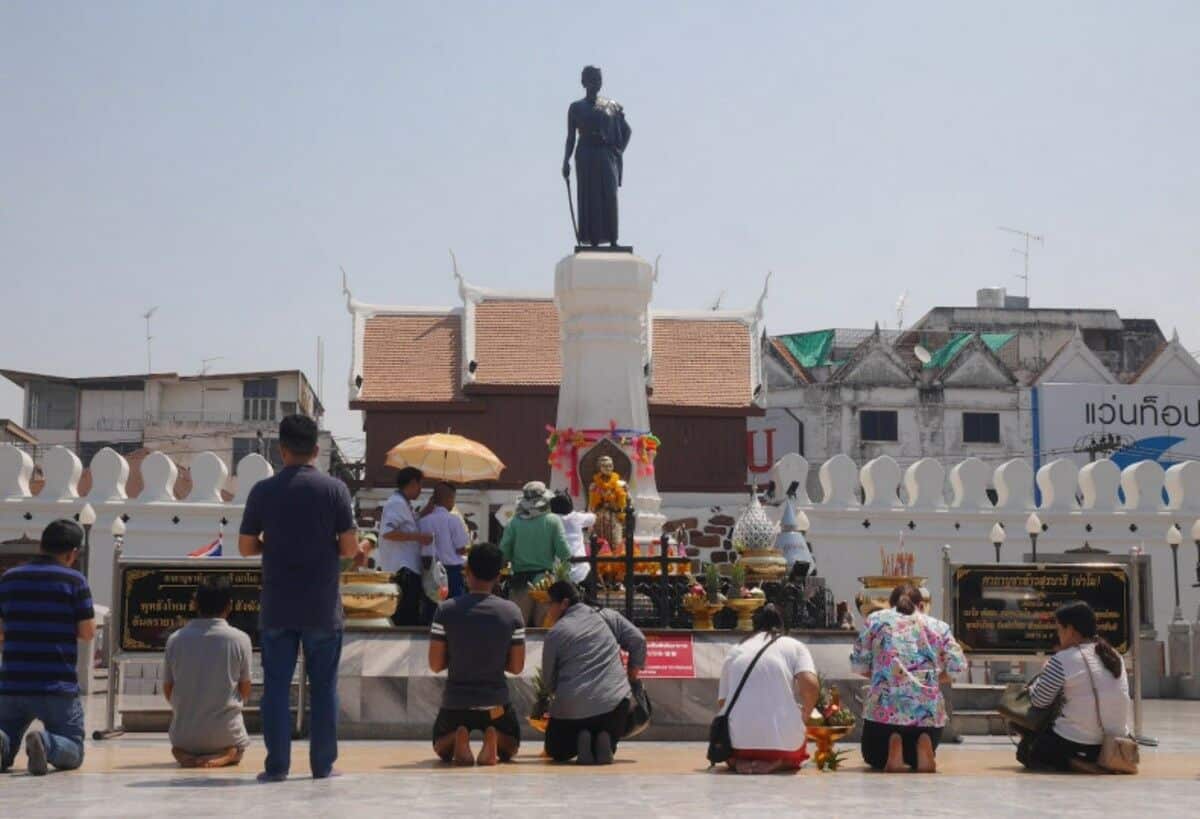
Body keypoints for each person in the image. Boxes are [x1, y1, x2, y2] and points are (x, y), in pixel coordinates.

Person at [238, 414, 367, 782]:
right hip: (322, 605)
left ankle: (276, 766)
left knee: (276, 688)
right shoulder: (335, 490)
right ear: (316, 449)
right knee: (324, 688)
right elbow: (348, 547)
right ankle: (322, 765)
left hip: (278, 605)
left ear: (281, 450)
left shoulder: (263, 491)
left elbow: (246, 546)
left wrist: (272, 544)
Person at [0, 519, 95, 775]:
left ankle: (3, 742)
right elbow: (87, 633)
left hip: (12, 683)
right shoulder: (75, 581)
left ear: (41, 545)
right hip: (56, 685)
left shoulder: (8, 579)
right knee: (73, 750)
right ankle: (47, 743)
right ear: (72, 553)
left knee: (5, 739)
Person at [850, 582, 966, 773]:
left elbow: (859, 665)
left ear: (891, 604)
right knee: (920, 738)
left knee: (872, 756)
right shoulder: (939, 626)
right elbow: (958, 667)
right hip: (927, 716)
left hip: (884, 714)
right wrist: (932, 679)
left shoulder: (876, 620)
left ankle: (893, 748)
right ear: (921, 605)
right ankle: (922, 745)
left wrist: (884, 675)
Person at [428, 543, 525, 766]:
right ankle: (495, 737)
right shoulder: (511, 612)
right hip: (495, 706)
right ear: (498, 575)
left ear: (467, 571)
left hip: (455, 704)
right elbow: (517, 667)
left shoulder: (446, 610)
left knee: (440, 746)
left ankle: (456, 738)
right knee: (511, 747)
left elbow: (435, 664)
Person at [1020, 601, 1132, 772]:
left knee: (1026, 751)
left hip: (1079, 743)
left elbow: (1038, 701)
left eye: (1059, 629)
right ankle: (1092, 761)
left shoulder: (1063, 659)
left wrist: (1042, 675)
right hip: (1115, 743)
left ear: (1070, 630)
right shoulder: (1114, 655)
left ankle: (1073, 761)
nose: (1058, 635)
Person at [541, 581, 645, 764]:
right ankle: (606, 738)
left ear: (564, 603)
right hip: (613, 705)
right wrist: (631, 675)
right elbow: (638, 639)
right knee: (614, 714)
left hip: (572, 710)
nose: (548, 610)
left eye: (550, 604)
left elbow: (548, 681)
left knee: (556, 749)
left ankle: (582, 737)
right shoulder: (606, 617)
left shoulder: (555, 633)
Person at [716, 603, 819, 774]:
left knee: (732, 748)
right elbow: (811, 685)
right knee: (799, 753)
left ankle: (736, 761)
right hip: (782, 747)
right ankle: (779, 763)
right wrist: (806, 714)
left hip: (737, 746)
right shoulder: (794, 646)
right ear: (783, 624)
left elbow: (722, 702)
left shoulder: (736, 649)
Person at [163, 574, 253, 768]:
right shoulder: (241, 640)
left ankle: (183, 754)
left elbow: (168, 690)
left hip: (185, 737)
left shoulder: (175, 640)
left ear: (195, 604)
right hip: (226, 734)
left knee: (178, 747)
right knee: (238, 747)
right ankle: (229, 754)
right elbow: (245, 691)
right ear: (229, 606)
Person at [561, 65, 632, 247]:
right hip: (585, 153)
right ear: (584, 82)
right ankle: (592, 241)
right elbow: (570, 137)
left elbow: (626, 130)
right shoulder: (576, 108)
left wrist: (618, 152)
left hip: (605, 154)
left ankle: (613, 240)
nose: (596, 83)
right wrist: (565, 161)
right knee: (590, 196)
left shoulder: (612, 106)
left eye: (598, 79)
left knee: (609, 194)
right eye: (592, 79)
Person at [499, 481, 572, 626]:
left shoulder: (513, 522)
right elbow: (565, 553)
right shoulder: (553, 521)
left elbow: (503, 554)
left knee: (518, 630)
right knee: (544, 631)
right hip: (545, 584)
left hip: (519, 583)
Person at [378, 467, 434, 626]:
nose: (421, 489)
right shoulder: (395, 503)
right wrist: (419, 537)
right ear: (413, 483)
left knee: (410, 614)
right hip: (403, 569)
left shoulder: (403, 503)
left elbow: (407, 523)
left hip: (408, 568)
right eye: (420, 484)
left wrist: (424, 512)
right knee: (405, 617)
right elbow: (388, 532)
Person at [420, 482, 470, 600]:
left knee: (431, 609)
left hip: (429, 571)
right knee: (453, 611)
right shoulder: (453, 519)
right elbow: (460, 549)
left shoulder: (423, 521)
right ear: (449, 498)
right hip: (451, 572)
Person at [549, 493, 596, 587]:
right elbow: (593, 518)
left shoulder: (549, 520)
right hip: (581, 569)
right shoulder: (576, 517)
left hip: (557, 571)